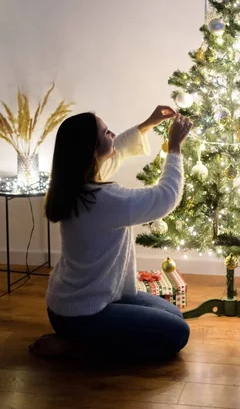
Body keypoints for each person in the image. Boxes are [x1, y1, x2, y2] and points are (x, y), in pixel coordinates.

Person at [30, 106, 192, 362]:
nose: (113, 134)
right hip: (83, 312)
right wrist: (174, 147)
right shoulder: (101, 199)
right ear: (91, 150)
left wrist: (148, 124)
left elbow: (119, 152)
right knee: (177, 334)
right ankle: (78, 346)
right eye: (106, 133)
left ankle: (84, 337)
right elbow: (165, 198)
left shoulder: (73, 185)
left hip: (81, 301)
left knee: (175, 316)